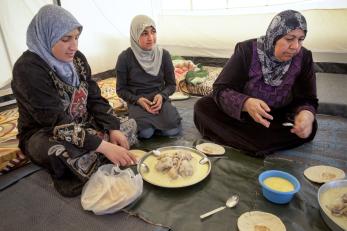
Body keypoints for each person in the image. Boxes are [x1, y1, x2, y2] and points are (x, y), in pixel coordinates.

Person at [11, 5, 138, 197]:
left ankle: (98, 153)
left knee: (127, 125)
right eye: (66, 39)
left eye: (76, 37)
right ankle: (97, 155)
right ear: (48, 36)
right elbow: (54, 121)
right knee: (60, 152)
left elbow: (94, 97)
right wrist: (103, 145)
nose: (74, 46)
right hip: (45, 131)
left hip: (80, 122)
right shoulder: (28, 69)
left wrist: (113, 128)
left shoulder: (77, 59)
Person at [194, 10, 318, 156]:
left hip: (278, 118)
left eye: (301, 39)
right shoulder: (246, 51)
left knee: (311, 126)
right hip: (244, 115)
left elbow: (308, 98)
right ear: (274, 36)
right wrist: (246, 103)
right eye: (290, 38)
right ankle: (260, 143)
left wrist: (306, 115)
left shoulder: (304, 57)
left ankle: (251, 143)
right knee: (202, 107)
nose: (295, 46)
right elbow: (220, 89)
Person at [116, 15, 182, 139]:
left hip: (158, 100)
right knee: (146, 133)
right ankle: (151, 125)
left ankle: (158, 123)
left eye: (153, 32)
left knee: (172, 131)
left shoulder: (164, 55)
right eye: (144, 33)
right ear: (135, 35)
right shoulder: (125, 58)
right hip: (137, 101)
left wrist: (161, 96)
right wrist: (137, 100)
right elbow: (121, 90)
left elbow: (171, 85)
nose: (150, 38)